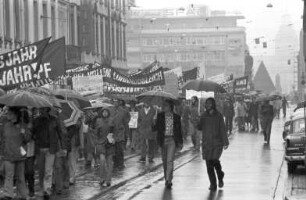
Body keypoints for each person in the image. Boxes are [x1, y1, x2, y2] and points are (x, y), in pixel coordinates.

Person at [33, 107, 67, 199]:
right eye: (40, 109)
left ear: (47, 109)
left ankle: (47, 189)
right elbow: (32, 133)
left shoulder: (54, 119)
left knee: (48, 170)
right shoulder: (36, 120)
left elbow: (60, 133)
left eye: (43, 109)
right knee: (41, 171)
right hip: (40, 149)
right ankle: (41, 187)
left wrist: (63, 147)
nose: (41, 111)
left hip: (51, 149)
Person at [198, 98, 229, 191]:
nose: (208, 105)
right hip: (207, 143)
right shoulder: (203, 115)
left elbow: (222, 129)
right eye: (206, 103)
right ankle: (213, 183)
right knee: (209, 164)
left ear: (213, 104)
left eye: (210, 103)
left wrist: (225, 142)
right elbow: (199, 127)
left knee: (215, 161)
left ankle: (220, 175)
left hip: (217, 143)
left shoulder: (218, 116)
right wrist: (196, 121)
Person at [0, 107, 31, 200]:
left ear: (15, 114)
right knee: (9, 175)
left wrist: (23, 133)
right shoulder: (5, 125)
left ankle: (22, 195)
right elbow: (3, 140)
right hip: (8, 155)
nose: (7, 115)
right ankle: (8, 194)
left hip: (19, 155)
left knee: (20, 176)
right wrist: (1, 153)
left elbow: (28, 139)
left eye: (10, 113)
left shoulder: (23, 125)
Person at [154, 100, 183, 189]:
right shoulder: (159, 116)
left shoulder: (177, 117)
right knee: (164, 161)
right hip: (163, 141)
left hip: (172, 140)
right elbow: (155, 128)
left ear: (170, 106)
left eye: (165, 105)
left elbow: (179, 130)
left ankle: (168, 180)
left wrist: (180, 142)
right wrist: (153, 121)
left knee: (170, 160)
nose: (163, 107)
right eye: (163, 105)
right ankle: (167, 176)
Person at [96, 109, 115, 187]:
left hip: (110, 144)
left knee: (109, 163)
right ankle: (101, 178)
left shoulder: (112, 120)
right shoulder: (98, 121)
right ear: (102, 113)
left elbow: (115, 131)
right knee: (102, 161)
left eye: (106, 112)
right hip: (101, 144)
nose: (105, 113)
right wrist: (97, 142)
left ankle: (108, 180)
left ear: (108, 113)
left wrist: (113, 138)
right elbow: (96, 133)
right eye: (103, 112)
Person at [112, 99, 129, 169]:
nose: (115, 103)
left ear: (119, 103)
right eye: (114, 102)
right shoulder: (110, 110)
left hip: (120, 132)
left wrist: (126, 133)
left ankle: (120, 163)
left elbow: (126, 122)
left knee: (119, 149)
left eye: (116, 102)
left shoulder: (123, 111)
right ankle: (115, 163)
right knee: (113, 149)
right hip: (112, 132)